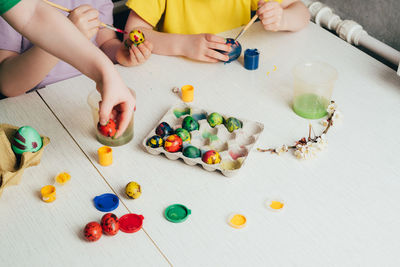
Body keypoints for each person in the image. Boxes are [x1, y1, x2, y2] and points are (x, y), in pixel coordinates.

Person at [0, 0, 136, 137]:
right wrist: (68, 35)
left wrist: (113, 63)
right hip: (39, 109)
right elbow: (9, 85)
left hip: (85, 96)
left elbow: (106, 41)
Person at [116, 0, 310, 65]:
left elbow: (301, 11)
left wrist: (282, 18)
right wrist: (184, 45)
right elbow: (132, 34)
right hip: (176, 79)